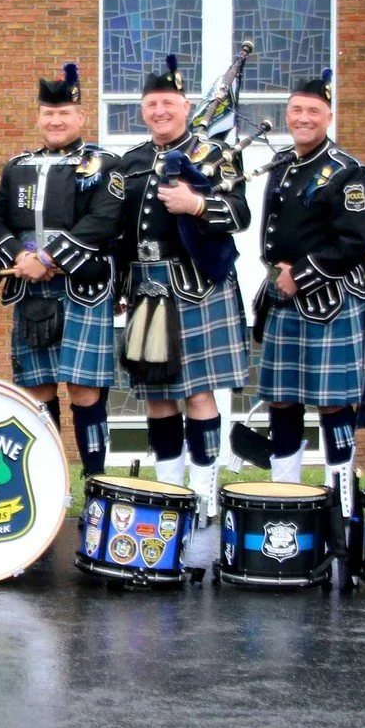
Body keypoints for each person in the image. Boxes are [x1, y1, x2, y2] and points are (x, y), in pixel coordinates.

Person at [115, 54, 249, 527]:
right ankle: (170, 493)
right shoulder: (130, 161)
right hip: (146, 286)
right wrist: (120, 284)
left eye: (168, 103)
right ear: (142, 110)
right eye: (152, 104)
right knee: (157, 396)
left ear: (186, 106)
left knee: (197, 394)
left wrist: (197, 205)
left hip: (196, 287)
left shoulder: (214, 154)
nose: (160, 111)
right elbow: (120, 231)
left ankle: (205, 495)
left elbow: (240, 214)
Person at [0, 63, 126, 487]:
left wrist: (46, 258)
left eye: (64, 112)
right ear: (38, 117)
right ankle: (48, 484)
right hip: (31, 290)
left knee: (84, 390)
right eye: (48, 113)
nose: (55, 120)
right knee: (37, 389)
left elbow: (103, 221)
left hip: (84, 288)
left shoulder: (105, 164)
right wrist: (21, 258)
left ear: (81, 116)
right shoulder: (18, 166)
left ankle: (96, 482)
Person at [248, 68, 365, 517]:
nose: (303, 118)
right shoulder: (283, 162)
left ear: (329, 116)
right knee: (282, 398)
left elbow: (355, 242)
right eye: (296, 110)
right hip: (283, 298)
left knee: (334, 402)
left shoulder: (348, 171)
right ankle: (286, 494)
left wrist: (301, 274)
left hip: (328, 301)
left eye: (313, 111)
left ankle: (341, 504)